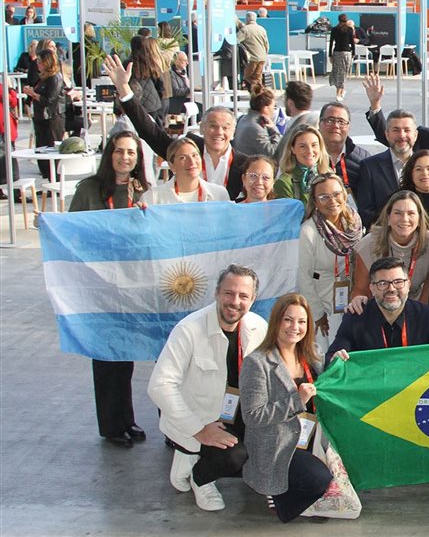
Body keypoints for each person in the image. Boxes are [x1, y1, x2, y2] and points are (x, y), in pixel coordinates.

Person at [147, 265, 268, 511]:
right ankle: (200, 478)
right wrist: (199, 429)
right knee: (235, 457)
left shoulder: (258, 326)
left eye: (243, 296)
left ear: (253, 299)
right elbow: (160, 386)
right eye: (228, 293)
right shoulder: (189, 329)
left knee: (268, 447)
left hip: (238, 413)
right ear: (216, 293)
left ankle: (191, 458)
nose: (235, 302)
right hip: (199, 419)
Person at [69, 132, 150, 449]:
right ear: (109, 155)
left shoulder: (141, 190)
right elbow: (72, 230)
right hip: (99, 285)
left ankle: (126, 418)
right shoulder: (89, 188)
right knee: (105, 356)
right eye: (119, 151)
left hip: (131, 285)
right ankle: (111, 425)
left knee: (125, 355)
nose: (125, 157)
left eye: (131, 152)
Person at [240, 294, 332, 523]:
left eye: (302, 321)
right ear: (276, 322)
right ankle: (282, 498)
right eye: (288, 320)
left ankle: (300, 491)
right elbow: (252, 416)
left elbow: (328, 383)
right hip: (278, 444)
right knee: (319, 479)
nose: (295, 327)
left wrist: (338, 363)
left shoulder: (313, 354)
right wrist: (296, 401)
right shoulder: (257, 362)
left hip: (311, 438)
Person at [106, 55, 249, 201]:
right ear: (202, 128)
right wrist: (124, 89)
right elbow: (149, 132)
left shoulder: (244, 165)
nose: (219, 132)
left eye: (225, 128)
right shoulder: (186, 151)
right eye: (213, 126)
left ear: (233, 132)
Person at [327, 256, 429, 359]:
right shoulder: (356, 317)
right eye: (383, 284)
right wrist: (336, 358)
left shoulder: (427, 316)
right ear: (372, 288)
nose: (391, 289)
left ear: (408, 285)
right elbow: (331, 357)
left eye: (398, 282)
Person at [298, 174, 364, 354]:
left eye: (336, 194)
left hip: (353, 296)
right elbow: (304, 276)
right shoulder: (309, 231)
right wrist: (318, 314)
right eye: (324, 197)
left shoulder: (354, 222)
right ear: (315, 202)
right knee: (330, 353)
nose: (332, 201)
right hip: (324, 303)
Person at [352, 190, 429, 304]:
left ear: (419, 219)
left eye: (411, 213)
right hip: (379, 307)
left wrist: (418, 312)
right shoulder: (368, 245)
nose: (404, 219)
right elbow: (361, 291)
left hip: (417, 307)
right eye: (398, 213)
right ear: (388, 217)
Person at [354, 108, 418, 226]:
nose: (402, 135)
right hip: (382, 234)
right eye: (396, 130)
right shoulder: (369, 167)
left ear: (415, 135)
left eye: (407, 130)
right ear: (387, 134)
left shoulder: (426, 167)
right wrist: (392, 230)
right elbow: (365, 211)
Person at [146, 137, 231, 204]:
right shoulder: (152, 198)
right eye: (183, 158)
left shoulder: (219, 194)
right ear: (171, 165)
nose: (191, 162)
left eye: (195, 155)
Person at [24, 49, 65, 179]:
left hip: (52, 118)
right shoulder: (42, 78)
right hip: (40, 118)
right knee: (41, 149)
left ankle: (54, 178)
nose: (38, 65)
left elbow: (50, 100)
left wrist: (33, 94)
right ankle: (46, 175)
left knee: (52, 150)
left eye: (40, 62)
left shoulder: (55, 78)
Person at [316, 101, 371, 196]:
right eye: (330, 120)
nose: (336, 126)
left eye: (341, 122)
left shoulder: (363, 159)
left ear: (348, 127)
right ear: (319, 124)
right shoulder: (309, 156)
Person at [273, 126, 332, 207]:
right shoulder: (284, 183)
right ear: (292, 149)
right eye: (302, 146)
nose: (309, 151)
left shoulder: (330, 175)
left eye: (314, 145)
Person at [128, 36, 168, 124]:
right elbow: (159, 83)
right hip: (152, 102)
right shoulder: (150, 62)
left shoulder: (128, 63)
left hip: (134, 101)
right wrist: (159, 97)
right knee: (151, 127)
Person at [233, 87, 281, 159]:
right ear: (266, 109)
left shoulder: (242, 119)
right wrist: (274, 131)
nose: (274, 110)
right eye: (273, 107)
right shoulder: (256, 128)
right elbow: (274, 153)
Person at [238, 12, 270, 90]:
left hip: (252, 58)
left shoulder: (245, 29)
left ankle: (259, 89)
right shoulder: (262, 29)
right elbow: (267, 45)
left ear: (247, 19)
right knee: (258, 77)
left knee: (247, 77)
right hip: (262, 57)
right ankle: (260, 92)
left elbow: (235, 40)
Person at [327, 14, 355, 101]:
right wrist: (354, 53)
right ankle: (339, 93)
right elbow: (352, 42)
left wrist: (330, 54)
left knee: (337, 72)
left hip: (337, 52)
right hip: (346, 53)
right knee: (344, 73)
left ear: (338, 20)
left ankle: (340, 91)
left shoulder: (334, 29)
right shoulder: (350, 29)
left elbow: (331, 42)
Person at [166, 51, 193, 117]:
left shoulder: (183, 73)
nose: (187, 63)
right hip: (177, 104)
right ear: (177, 62)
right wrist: (191, 89)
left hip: (187, 101)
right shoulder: (171, 74)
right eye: (185, 61)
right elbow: (176, 91)